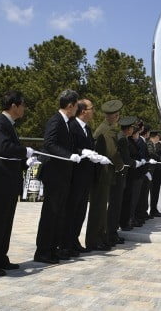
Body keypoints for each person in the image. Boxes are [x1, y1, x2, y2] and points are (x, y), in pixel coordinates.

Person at [0, 91, 33, 277]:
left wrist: (26, 162)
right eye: (23, 104)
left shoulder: (9, 125)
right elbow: (5, 149)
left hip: (8, 183)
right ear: (14, 106)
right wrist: (24, 151)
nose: (24, 108)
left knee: (5, 223)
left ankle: (1, 257)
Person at [34, 90, 82, 264]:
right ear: (70, 106)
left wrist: (80, 152)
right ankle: (43, 251)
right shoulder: (56, 121)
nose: (77, 109)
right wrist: (68, 156)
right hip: (54, 173)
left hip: (62, 174)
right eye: (77, 105)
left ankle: (52, 249)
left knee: (58, 213)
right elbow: (50, 143)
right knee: (50, 213)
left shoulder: (66, 122)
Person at [86, 99, 123, 251]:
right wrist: (120, 165)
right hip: (102, 173)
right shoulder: (107, 130)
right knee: (98, 207)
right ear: (115, 116)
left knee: (101, 207)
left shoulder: (106, 128)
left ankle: (101, 237)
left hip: (104, 173)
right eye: (117, 115)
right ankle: (95, 240)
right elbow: (112, 152)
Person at [63, 99, 97, 255]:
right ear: (83, 111)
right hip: (74, 176)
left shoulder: (87, 129)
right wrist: (81, 151)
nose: (93, 111)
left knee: (81, 210)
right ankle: (67, 243)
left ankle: (74, 239)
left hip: (85, 176)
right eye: (91, 108)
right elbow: (69, 147)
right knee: (71, 210)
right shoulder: (71, 126)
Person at [106, 116, 136, 246]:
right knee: (115, 205)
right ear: (128, 129)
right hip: (119, 175)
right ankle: (112, 233)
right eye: (132, 128)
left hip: (117, 174)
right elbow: (125, 158)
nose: (133, 130)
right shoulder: (122, 139)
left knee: (115, 205)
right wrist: (135, 163)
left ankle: (112, 232)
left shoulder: (119, 136)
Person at [148, 131, 161, 217]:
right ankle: (153, 210)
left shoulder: (155, 145)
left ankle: (153, 209)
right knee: (154, 192)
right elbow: (153, 156)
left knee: (155, 192)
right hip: (155, 173)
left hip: (155, 172)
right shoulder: (158, 147)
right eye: (158, 136)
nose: (159, 138)